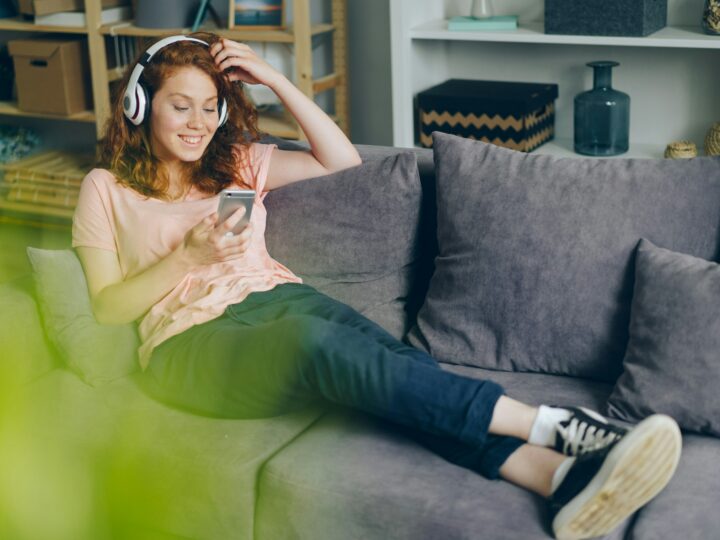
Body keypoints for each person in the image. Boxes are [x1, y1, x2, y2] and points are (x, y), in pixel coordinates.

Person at [72, 33, 681, 540]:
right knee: (316, 345)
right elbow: (106, 307)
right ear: (139, 105)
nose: (199, 123)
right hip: (191, 344)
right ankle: (558, 425)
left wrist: (274, 79)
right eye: (181, 106)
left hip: (279, 298)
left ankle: (558, 481)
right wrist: (188, 256)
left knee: (394, 365)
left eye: (211, 107)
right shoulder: (104, 189)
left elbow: (340, 159)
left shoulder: (236, 164)